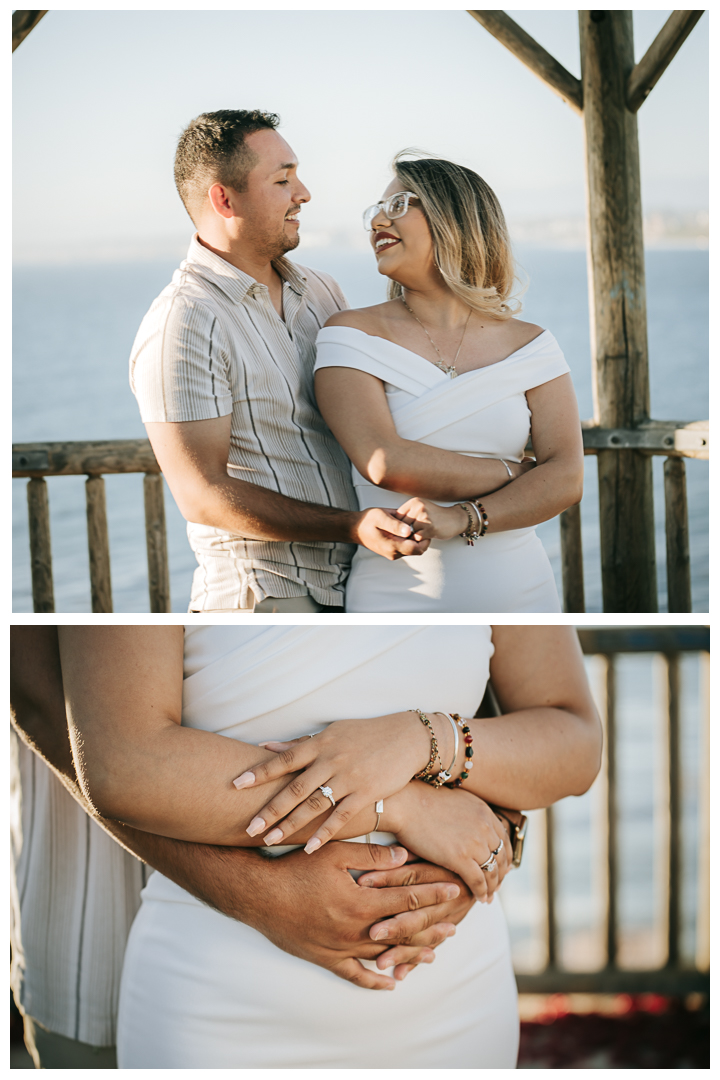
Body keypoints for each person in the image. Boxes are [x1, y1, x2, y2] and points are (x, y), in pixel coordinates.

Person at [58, 624, 602, 1069]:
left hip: (455, 996)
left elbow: (573, 741)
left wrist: (423, 739)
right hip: (224, 1007)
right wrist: (409, 807)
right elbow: (125, 764)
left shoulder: (475, 545)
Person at [10, 627, 471, 1068]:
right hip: (102, 929)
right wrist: (260, 892)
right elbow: (47, 706)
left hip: (434, 994)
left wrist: (489, 848)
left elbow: (484, 709)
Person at [130, 110, 430, 614]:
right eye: (283, 179)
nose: (304, 193)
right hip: (266, 598)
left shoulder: (320, 291)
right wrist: (350, 526)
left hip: (357, 586)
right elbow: (201, 494)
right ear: (224, 199)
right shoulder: (183, 322)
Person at [314, 153, 585, 612]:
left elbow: (567, 478)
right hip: (401, 591)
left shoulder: (533, 345)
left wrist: (464, 518)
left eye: (398, 204)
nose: (378, 220)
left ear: (454, 216)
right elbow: (386, 462)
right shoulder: (349, 334)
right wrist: (518, 475)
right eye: (376, 210)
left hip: (523, 589)